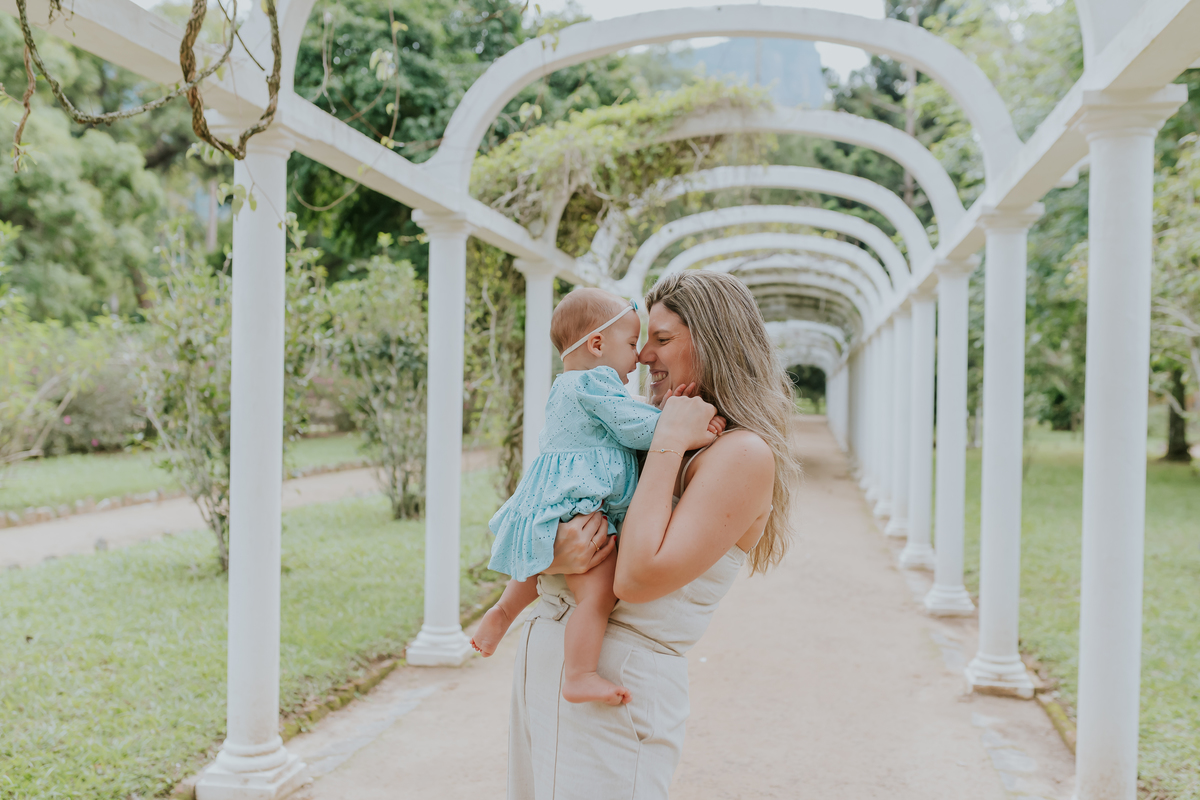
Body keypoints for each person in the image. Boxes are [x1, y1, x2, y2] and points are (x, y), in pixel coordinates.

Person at [507, 271, 802, 799]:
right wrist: (553, 552)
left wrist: (666, 441)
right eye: (644, 340)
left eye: (662, 340)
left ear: (715, 346)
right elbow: (556, 518)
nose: (642, 357)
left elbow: (639, 576)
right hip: (547, 662)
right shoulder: (651, 428)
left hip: (616, 683)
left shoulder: (741, 453)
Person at [472, 287, 722, 706]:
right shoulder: (595, 382)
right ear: (597, 344)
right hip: (584, 502)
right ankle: (581, 674)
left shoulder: (567, 384)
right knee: (598, 594)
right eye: (631, 343)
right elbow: (632, 427)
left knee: (537, 567)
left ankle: (501, 614)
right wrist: (680, 424)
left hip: (561, 498)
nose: (638, 356)